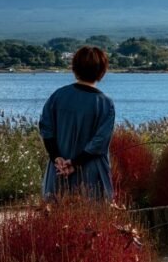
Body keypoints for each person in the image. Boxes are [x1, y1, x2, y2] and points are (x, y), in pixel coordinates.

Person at [39, 45, 116, 201]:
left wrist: (57, 158)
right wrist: (74, 163)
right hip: (91, 176)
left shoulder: (58, 96)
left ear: (74, 68)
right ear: (102, 71)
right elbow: (99, 142)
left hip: (58, 171)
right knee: (90, 221)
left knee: (55, 218)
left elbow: (46, 129)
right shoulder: (105, 104)